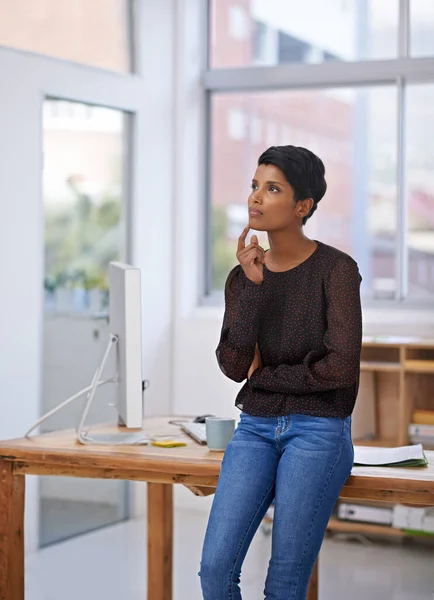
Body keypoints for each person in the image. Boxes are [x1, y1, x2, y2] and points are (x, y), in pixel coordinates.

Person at [199, 145, 362, 600]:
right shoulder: (243, 277)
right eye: (255, 186)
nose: (256, 197)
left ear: (302, 206)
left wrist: (265, 377)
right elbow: (234, 367)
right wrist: (252, 288)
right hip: (254, 429)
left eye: (272, 189)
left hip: (319, 430)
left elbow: (341, 369)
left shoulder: (337, 270)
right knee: (215, 571)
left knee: (284, 584)